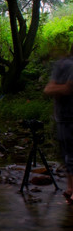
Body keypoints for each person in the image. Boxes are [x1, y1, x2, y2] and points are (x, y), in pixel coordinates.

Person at [44, 51, 73, 204]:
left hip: (65, 118)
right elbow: (49, 89)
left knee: (70, 156)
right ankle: (70, 189)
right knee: (68, 155)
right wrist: (66, 88)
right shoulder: (63, 64)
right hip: (64, 118)